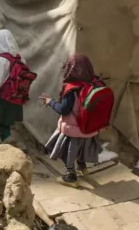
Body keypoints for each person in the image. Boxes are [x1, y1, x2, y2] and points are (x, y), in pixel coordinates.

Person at [41, 54, 101, 188]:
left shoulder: (71, 89)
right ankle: (83, 168)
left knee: (67, 151)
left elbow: (63, 110)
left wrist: (50, 102)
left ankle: (71, 176)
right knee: (82, 148)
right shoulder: (96, 84)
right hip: (90, 128)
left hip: (74, 130)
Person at [0, 29, 25, 142]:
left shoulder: (0, 60)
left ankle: (8, 139)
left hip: (5, 96)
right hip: (17, 94)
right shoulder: (20, 58)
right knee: (6, 120)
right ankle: (6, 139)